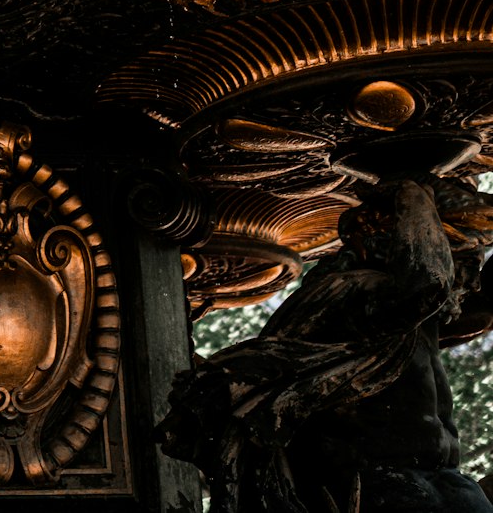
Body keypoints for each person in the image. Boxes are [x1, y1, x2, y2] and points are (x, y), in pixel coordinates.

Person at [161, 178, 493, 513]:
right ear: (402, 242)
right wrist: (412, 190)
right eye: (460, 263)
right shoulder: (359, 292)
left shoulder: (414, 325)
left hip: (443, 492)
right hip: (383, 493)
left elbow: (468, 301)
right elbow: (428, 285)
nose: (469, 280)